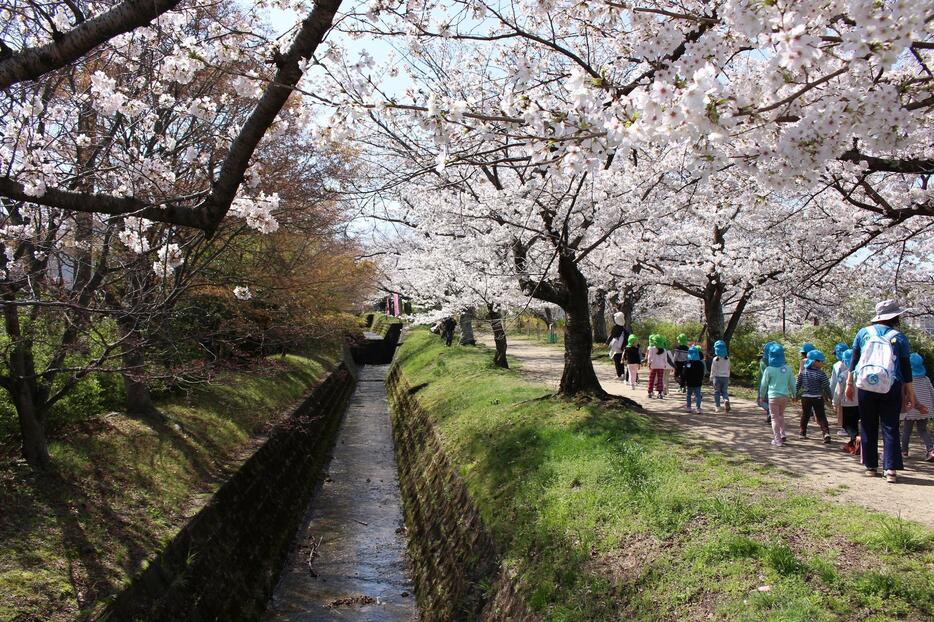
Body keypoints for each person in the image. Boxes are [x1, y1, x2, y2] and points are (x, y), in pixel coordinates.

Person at [845, 299, 927, 483]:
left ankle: (871, 466)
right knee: (890, 426)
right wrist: (911, 394)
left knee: (868, 424)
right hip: (891, 385)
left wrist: (849, 384)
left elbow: (854, 361)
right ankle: (890, 469)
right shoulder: (899, 337)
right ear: (895, 317)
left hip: (865, 385)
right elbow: (906, 369)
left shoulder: (863, 333)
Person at [759, 343, 796, 447]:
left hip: (773, 397)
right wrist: (794, 394)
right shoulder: (788, 369)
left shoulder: (768, 369)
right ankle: (782, 433)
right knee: (781, 415)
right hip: (785, 396)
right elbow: (792, 383)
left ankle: (777, 439)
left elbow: (763, 385)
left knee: (774, 418)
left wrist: (761, 396)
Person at [901, 353, 934, 462]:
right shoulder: (925, 379)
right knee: (923, 430)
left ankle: (904, 451)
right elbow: (932, 392)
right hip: (924, 409)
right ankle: (931, 450)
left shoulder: (907, 380)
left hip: (910, 409)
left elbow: (905, 393)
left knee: (906, 431)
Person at [797, 349, 833, 443]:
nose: (822, 363)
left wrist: (795, 394)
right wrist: (830, 396)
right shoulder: (821, 374)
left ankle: (802, 433)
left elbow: (798, 384)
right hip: (817, 397)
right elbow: (826, 386)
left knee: (805, 415)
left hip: (805, 397)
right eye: (821, 361)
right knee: (821, 416)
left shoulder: (803, 372)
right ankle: (826, 433)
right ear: (814, 362)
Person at [833, 349, 861, 454]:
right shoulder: (862, 374)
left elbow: (838, 390)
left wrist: (835, 402)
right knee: (855, 425)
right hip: (861, 404)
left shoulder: (844, 375)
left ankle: (856, 439)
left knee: (847, 425)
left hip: (848, 404)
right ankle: (853, 445)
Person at [829, 342, 850, 436]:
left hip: (841, 392)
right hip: (855, 393)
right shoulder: (855, 363)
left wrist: (833, 395)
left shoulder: (837, 365)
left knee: (841, 410)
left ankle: (844, 428)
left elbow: (834, 382)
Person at [683, 345, 706, 413]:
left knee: (689, 394)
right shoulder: (700, 363)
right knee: (698, 395)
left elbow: (684, 373)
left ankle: (688, 407)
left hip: (689, 382)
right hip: (698, 382)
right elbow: (702, 373)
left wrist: (683, 381)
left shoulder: (687, 363)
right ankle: (698, 408)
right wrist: (701, 379)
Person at [710, 339, 731, 414]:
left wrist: (711, 377)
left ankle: (717, 407)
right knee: (724, 391)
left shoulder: (715, 359)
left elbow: (713, 369)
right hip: (725, 378)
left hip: (717, 378)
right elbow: (729, 368)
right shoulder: (727, 359)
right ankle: (726, 400)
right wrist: (728, 376)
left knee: (717, 392)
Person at [759, 341, 777, 425]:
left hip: (764, 385)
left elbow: (764, 375)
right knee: (770, 401)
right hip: (774, 385)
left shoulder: (763, 361)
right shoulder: (777, 362)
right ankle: (769, 417)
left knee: (760, 401)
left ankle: (770, 412)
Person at [606, 312, 629, 380]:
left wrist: (607, 343)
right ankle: (622, 374)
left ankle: (619, 374)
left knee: (617, 361)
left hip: (616, 347)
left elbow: (611, 336)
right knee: (621, 360)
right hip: (622, 347)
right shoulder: (624, 329)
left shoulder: (615, 328)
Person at [645, 334, 668, 399]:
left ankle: (650, 392)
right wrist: (665, 365)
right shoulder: (664, 350)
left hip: (653, 366)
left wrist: (649, 363)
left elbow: (649, 357)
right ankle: (660, 393)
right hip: (661, 366)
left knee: (651, 379)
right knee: (660, 379)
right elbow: (665, 359)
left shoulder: (652, 349)